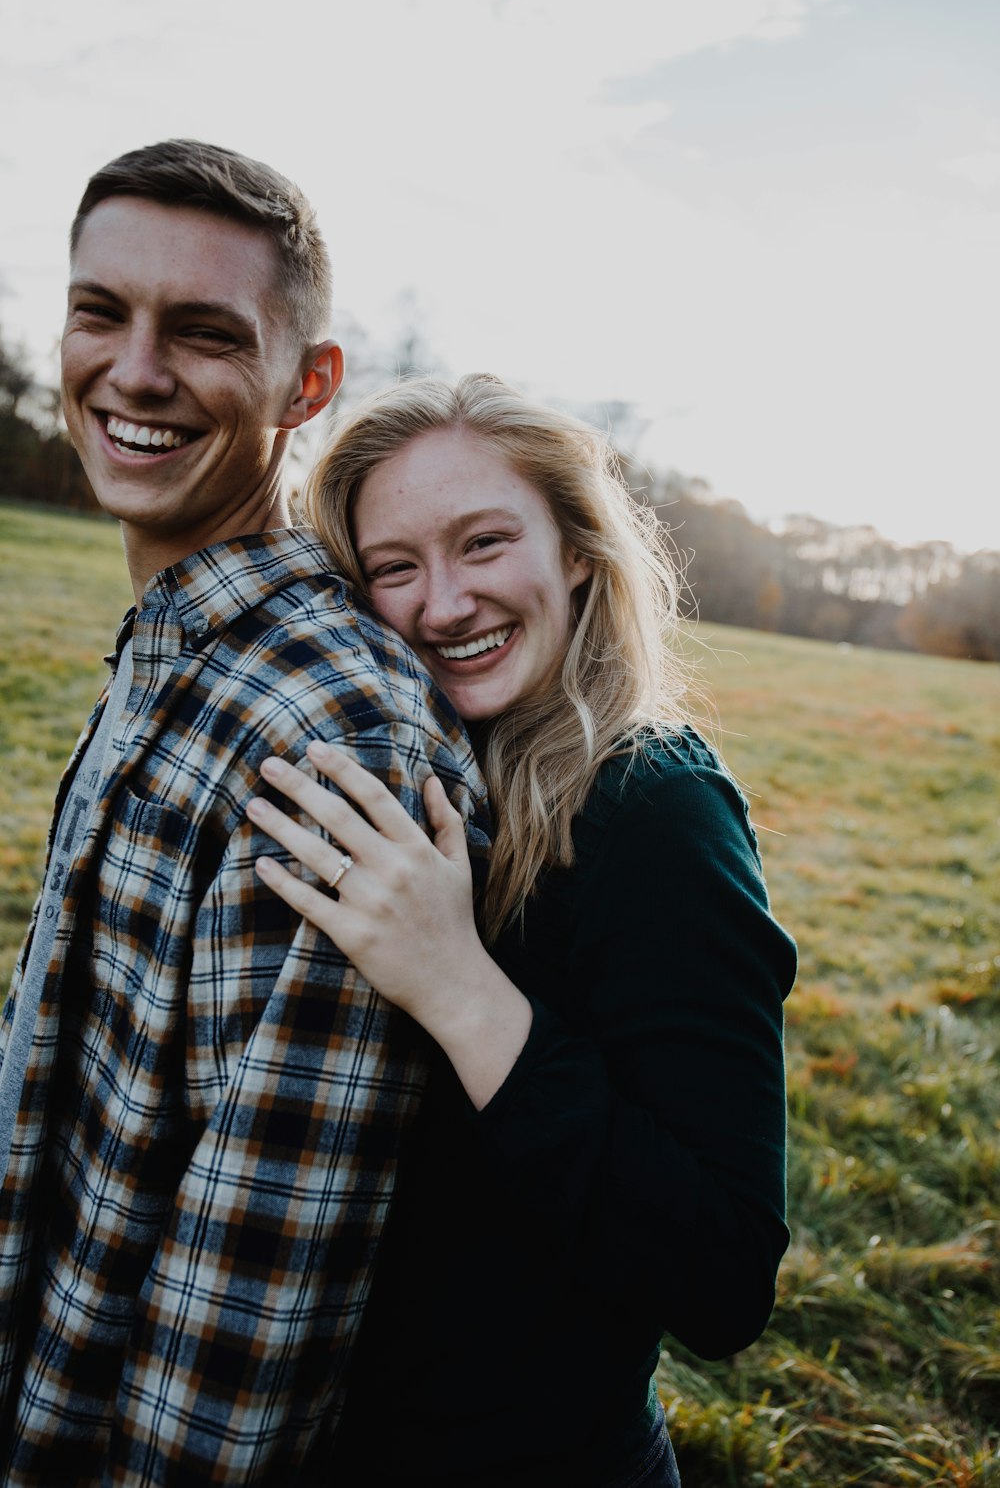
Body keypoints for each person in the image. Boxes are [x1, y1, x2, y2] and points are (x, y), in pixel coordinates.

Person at [0, 142, 488, 1486]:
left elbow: (247, 1325)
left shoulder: (332, 740)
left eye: (207, 334)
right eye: (101, 312)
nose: (135, 371)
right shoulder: (174, 645)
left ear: (306, 384)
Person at [247, 373, 798, 1487]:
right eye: (395, 567)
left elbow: (723, 1277)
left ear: (578, 552)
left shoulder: (655, 809)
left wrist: (461, 991)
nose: (444, 604)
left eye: (484, 543)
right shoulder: (423, 767)